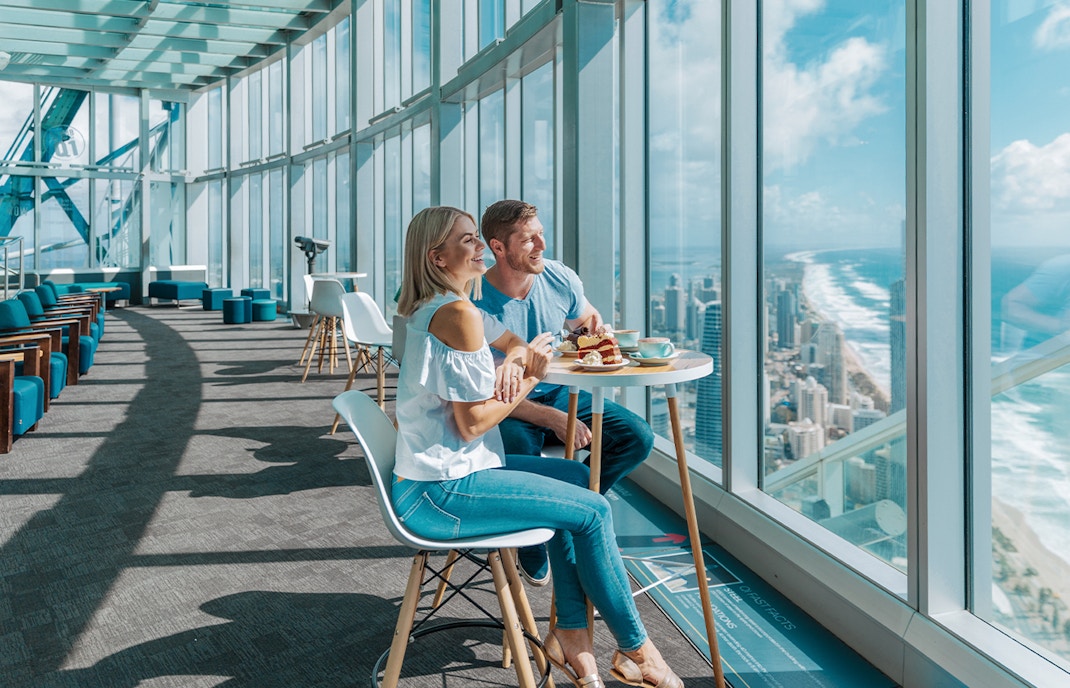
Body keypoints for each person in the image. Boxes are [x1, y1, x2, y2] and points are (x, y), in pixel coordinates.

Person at [392, 206, 683, 688]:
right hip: (441, 491)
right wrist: (527, 377)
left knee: (576, 480)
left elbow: (517, 344)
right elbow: (472, 424)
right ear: (438, 257)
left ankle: (570, 633)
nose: (479, 246)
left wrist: (517, 362)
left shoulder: (454, 307)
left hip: (449, 473)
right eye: (468, 241)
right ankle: (639, 652)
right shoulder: (458, 315)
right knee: (592, 512)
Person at [472, 199, 655, 585]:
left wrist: (593, 332)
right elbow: (480, 389)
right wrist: (549, 418)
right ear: (498, 247)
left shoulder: (558, 278)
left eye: (541, 234)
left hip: (558, 391)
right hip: (505, 404)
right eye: (528, 240)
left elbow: (587, 321)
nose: (541, 245)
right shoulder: (474, 300)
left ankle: (569, 511)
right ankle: (533, 541)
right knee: (517, 454)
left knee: (635, 437)